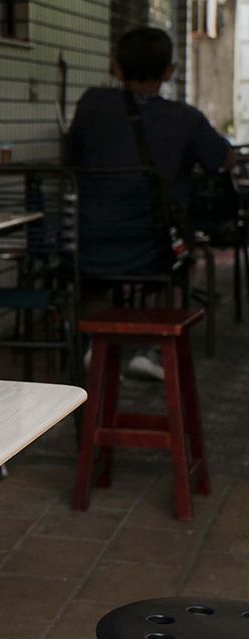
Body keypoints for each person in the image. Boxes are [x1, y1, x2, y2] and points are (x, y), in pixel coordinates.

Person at [69, 26, 235, 379]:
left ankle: (94, 344)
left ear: (116, 66)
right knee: (176, 257)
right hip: (152, 247)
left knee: (97, 266)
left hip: (87, 242)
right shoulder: (186, 118)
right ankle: (150, 349)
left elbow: (70, 155)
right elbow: (222, 160)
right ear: (168, 72)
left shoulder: (91, 104)